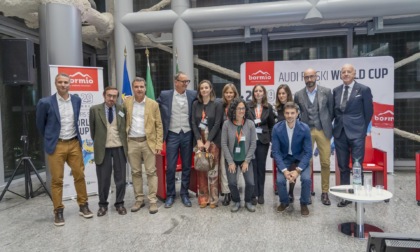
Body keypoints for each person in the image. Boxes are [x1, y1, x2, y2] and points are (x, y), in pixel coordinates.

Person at [36, 73, 93, 226]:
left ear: (70, 83)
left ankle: (83, 205)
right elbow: (40, 125)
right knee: (57, 180)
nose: (63, 85)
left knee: (79, 175)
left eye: (66, 82)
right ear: (56, 84)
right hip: (57, 145)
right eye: (60, 82)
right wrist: (51, 139)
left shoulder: (76, 100)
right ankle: (58, 211)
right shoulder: (45, 102)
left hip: (74, 143)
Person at [332, 64, 373, 207]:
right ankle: (346, 197)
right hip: (340, 133)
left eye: (349, 72)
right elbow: (335, 112)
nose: (346, 74)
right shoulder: (336, 91)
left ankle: (358, 196)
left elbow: (368, 113)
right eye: (343, 72)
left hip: (357, 133)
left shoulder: (363, 90)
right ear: (340, 75)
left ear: (354, 73)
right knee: (343, 166)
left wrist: (361, 130)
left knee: (357, 166)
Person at [157, 71, 197, 208]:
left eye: (187, 81)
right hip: (172, 134)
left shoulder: (192, 95)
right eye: (183, 81)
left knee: (186, 166)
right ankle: (170, 195)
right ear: (176, 82)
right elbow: (153, 107)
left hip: (187, 133)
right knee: (171, 167)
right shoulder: (165, 95)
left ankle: (184, 194)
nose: (186, 84)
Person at [294, 68, 333, 206]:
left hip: (323, 130)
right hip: (306, 131)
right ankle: (307, 192)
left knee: (325, 163)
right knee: (306, 162)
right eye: (307, 77)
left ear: (316, 76)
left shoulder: (327, 92)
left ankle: (324, 192)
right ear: (303, 78)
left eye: (312, 76)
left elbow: (331, 111)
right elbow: (296, 114)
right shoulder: (298, 95)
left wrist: (326, 124)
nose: (309, 79)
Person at [123, 77, 163, 214]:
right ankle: (139, 199)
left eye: (141, 87)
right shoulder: (126, 103)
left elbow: (159, 125)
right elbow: (122, 120)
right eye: (136, 87)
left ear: (145, 88)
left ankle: (152, 200)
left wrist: (159, 144)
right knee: (135, 172)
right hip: (132, 142)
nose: (139, 89)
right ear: (133, 88)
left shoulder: (153, 104)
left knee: (151, 172)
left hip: (148, 142)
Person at [89, 86, 128, 216]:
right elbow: (92, 131)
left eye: (114, 96)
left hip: (119, 148)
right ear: (104, 95)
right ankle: (103, 205)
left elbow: (124, 128)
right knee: (103, 179)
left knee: (121, 179)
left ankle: (120, 203)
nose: (112, 98)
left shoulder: (122, 109)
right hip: (103, 149)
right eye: (109, 95)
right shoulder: (95, 110)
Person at [272, 102, 312, 216]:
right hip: (285, 157)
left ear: (297, 114)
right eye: (287, 113)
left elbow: (308, 152)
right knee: (280, 180)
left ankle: (304, 203)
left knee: (306, 179)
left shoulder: (305, 128)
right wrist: (285, 171)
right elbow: (275, 151)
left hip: (300, 157)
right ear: (284, 114)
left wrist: (298, 170)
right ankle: (284, 202)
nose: (290, 115)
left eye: (292, 113)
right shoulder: (277, 128)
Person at [221, 98, 257, 213]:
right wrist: (230, 162)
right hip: (232, 159)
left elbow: (253, 143)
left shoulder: (250, 124)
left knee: (250, 183)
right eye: (239, 108)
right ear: (233, 110)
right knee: (232, 182)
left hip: (246, 159)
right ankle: (236, 200)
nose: (241, 111)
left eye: (243, 108)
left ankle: (247, 201)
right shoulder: (226, 124)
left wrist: (247, 161)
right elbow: (224, 144)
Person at [191, 80, 223, 208]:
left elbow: (217, 123)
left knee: (213, 170)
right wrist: (199, 140)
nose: (204, 90)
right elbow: (193, 122)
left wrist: (209, 141)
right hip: (199, 140)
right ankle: (203, 198)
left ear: (210, 89)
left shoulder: (217, 104)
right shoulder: (195, 104)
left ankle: (214, 199)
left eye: (206, 87)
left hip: (213, 140)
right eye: (201, 88)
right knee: (201, 169)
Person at [247, 84, 275, 205]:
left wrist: (273, 141)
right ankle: (253, 194)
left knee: (261, 167)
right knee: (252, 167)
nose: (258, 93)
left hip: (263, 140)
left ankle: (261, 194)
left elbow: (272, 125)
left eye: (260, 91)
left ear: (264, 93)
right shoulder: (248, 106)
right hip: (250, 140)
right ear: (253, 93)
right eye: (256, 91)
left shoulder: (268, 107)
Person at [273, 84, 295, 201]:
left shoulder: (294, 107)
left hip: (292, 145)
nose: (281, 96)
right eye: (279, 93)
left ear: (288, 94)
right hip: (280, 145)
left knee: (292, 168)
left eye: (283, 93)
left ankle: (291, 192)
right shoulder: (274, 109)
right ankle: (281, 189)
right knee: (281, 168)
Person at [219, 83, 239, 206]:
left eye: (231, 92)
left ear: (235, 93)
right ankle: (226, 192)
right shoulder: (219, 106)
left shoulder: (239, 106)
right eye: (227, 92)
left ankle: (234, 189)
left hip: (237, 140)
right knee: (223, 166)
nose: (229, 94)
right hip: (223, 141)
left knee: (235, 166)